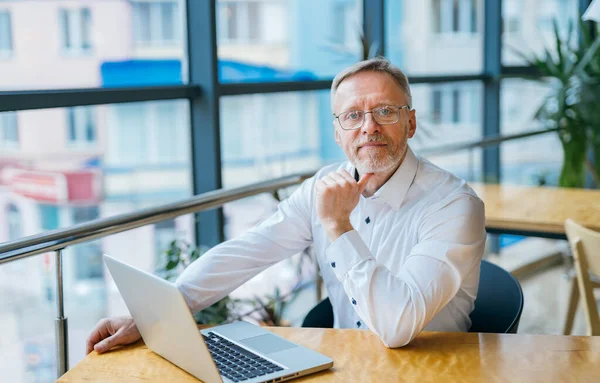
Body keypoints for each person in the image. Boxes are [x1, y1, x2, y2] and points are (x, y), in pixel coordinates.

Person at [86, 58, 486, 354]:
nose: (368, 127)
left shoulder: (454, 205)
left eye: (384, 111)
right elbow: (248, 251)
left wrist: (338, 227)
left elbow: (398, 327)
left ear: (411, 123)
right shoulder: (322, 186)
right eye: (353, 115)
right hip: (350, 366)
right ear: (337, 131)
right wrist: (156, 313)